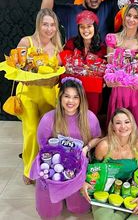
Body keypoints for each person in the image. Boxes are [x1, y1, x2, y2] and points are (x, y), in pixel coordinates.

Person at [33, 77, 101, 219]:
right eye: (67, 96)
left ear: (81, 99)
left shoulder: (90, 118)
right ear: (60, 97)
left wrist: (86, 148)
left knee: (80, 208)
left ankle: (72, 198)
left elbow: (97, 138)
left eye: (75, 97)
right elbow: (42, 146)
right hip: (54, 163)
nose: (71, 101)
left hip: (79, 164)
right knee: (48, 211)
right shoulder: (48, 119)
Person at [81, 108, 138, 220]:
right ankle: (130, 213)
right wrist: (86, 183)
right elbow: (94, 171)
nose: (123, 126)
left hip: (130, 188)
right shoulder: (104, 146)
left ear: (132, 124)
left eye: (127, 122)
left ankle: (123, 212)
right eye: (118, 123)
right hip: (106, 190)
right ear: (113, 127)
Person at [16, 8, 63, 185]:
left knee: (46, 133)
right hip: (28, 94)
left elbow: (59, 75)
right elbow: (16, 67)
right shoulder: (26, 42)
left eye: (52, 25)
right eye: (45, 24)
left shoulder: (58, 47)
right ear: (38, 25)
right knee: (31, 131)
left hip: (49, 95)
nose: (49, 29)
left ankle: (45, 167)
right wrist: (26, 74)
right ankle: (29, 169)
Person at [105, 3, 138, 136]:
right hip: (120, 89)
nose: (131, 19)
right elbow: (110, 65)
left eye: (136, 17)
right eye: (129, 15)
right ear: (124, 17)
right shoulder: (113, 39)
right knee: (119, 126)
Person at [61, 10, 106, 114]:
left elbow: (106, 70)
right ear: (78, 28)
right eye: (82, 26)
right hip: (73, 91)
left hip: (93, 91)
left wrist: (104, 79)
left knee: (91, 116)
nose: (85, 30)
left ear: (95, 27)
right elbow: (63, 63)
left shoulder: (102, 48)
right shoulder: (71, 43)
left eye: (89, 26)